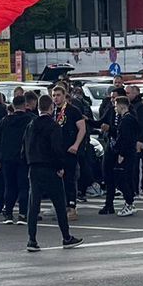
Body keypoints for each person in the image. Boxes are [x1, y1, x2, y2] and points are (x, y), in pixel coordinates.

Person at [23, 95, 84, 252]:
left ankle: (32, 239)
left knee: (33, 204)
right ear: (51, 108)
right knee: (59, 203)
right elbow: (57, 149)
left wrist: (28, 163)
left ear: (38, 107)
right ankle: (66, 237)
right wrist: (60, 167)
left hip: (34, 168)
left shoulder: (31, 125)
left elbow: (24, 148)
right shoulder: (54, 126)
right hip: (50, 168)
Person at [0, 93, 33, 224]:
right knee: (24, 186)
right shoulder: (30, 120)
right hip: (24, 158)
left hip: (7, 158)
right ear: (25, 105)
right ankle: (22, 214)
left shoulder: (4, 121)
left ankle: (8, 214)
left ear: (13, 106)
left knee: (9, 186)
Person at [50, 85, 87, 219]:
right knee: (57, 180)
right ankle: (61, 206)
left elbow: (82, 129)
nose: (56, 98)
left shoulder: (73, 110)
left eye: (58, 95)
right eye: (53, 95)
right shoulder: (52, 111)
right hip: (56, 152)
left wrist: (76, 145)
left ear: (65, 96)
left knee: (69, 179)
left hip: (70, 150)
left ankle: (72, 207)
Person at [101, 97, 140, 217]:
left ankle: (129, 203)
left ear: (122, 106)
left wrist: (121, 154)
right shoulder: (129, 119)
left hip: (126, 154)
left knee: (121, 178)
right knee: (123, 178)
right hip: (129, 153)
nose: (115, 108)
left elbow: (125, 138)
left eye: (116, 106)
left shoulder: (126, 120)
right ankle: (129, 202)